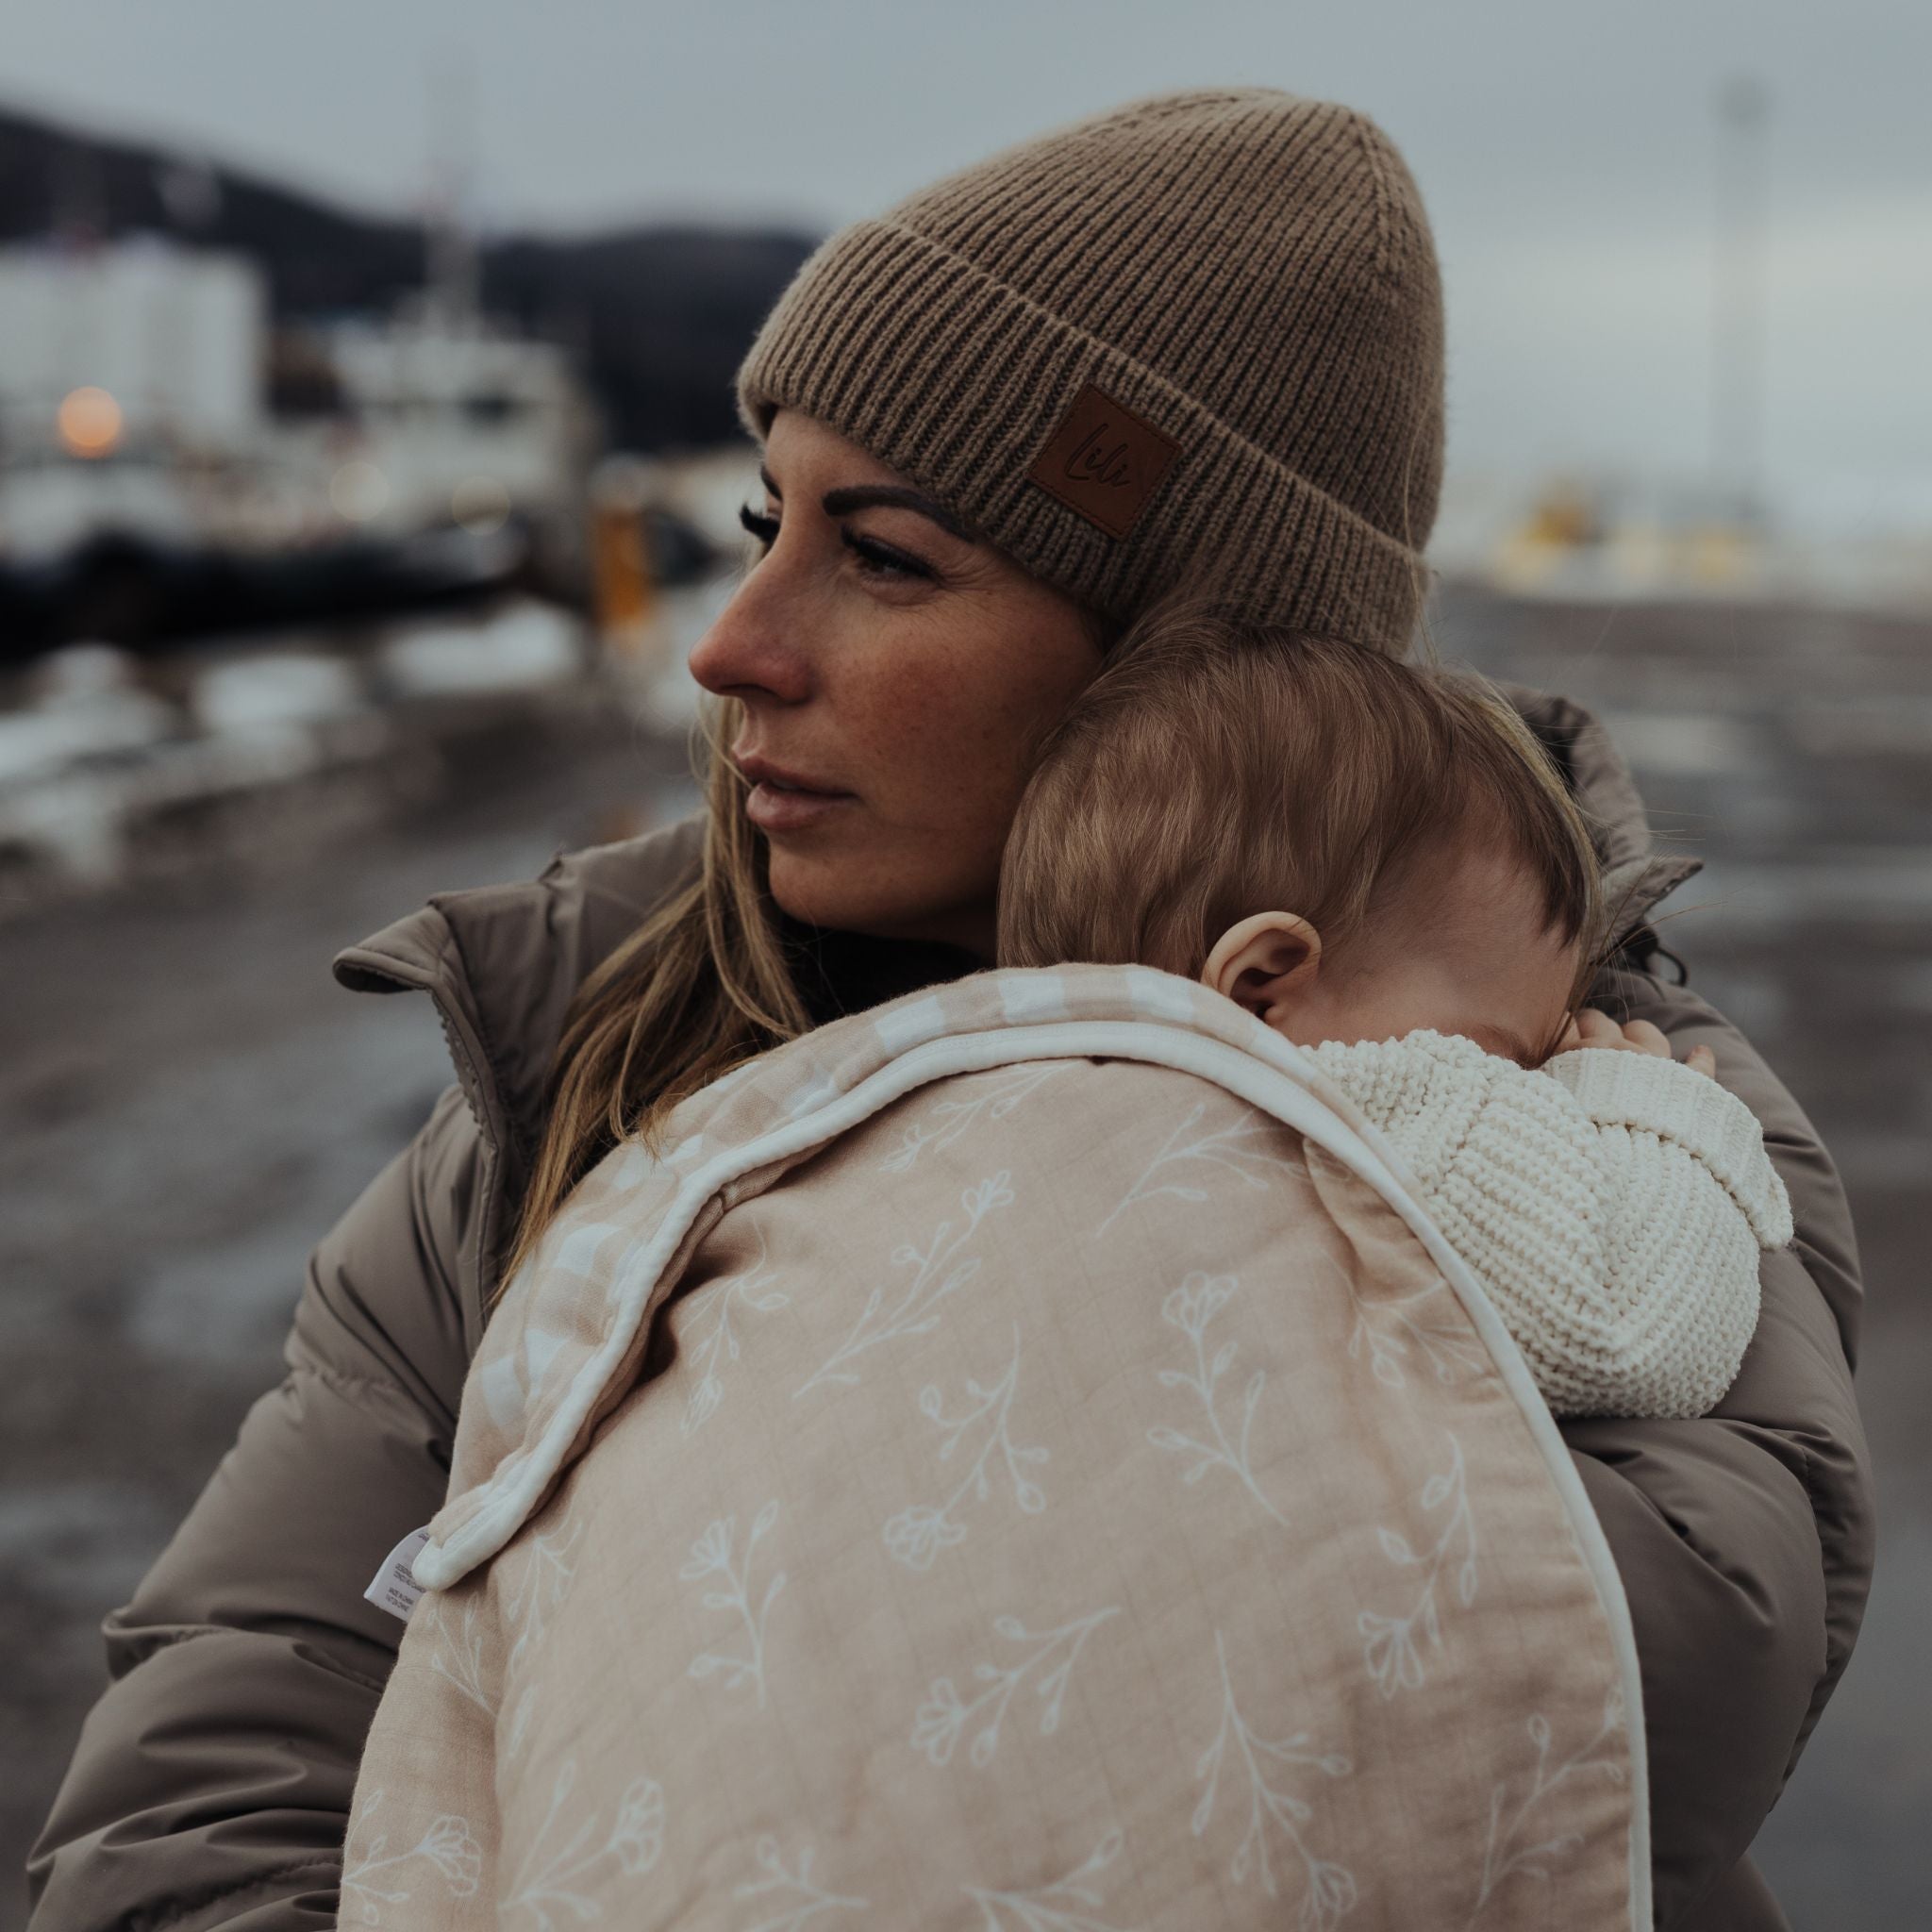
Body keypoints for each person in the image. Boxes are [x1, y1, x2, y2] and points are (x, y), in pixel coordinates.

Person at [28, 87, 1869, 1932]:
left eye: (885, 556)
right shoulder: (579, 1060)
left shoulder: (1583, 1103)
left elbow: (1663, 1675)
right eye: (768, 522)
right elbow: (206, 1804)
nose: (731, 642)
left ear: (1182, 665)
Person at [999, 609, 1792, 1421]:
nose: (1541, 1083)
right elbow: (1635, 1339)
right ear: (1260, 993)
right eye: (1510, 1059)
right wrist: (1645, 1109)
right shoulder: (1344, 1128)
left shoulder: (992, 1139)